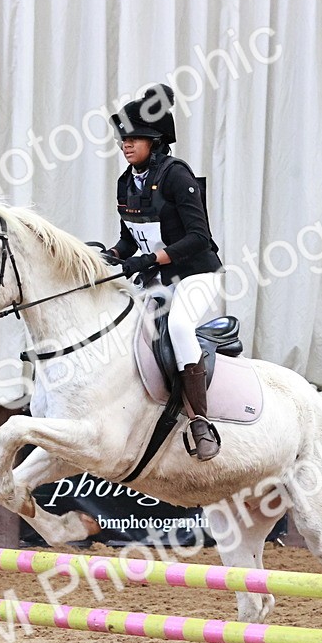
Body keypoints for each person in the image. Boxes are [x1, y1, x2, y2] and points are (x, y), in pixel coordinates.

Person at [108, 84, 224, 461]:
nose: (125, 144)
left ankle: (200, 421)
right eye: (123, 137)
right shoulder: (127, 181)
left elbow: (198, 238)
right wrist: (109, 255)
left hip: (195, 275)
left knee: (177, 327)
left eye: (134, 137)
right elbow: (130, 240)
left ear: (155, 141)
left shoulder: (176, 175)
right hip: (157, 279)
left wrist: (151, 260)